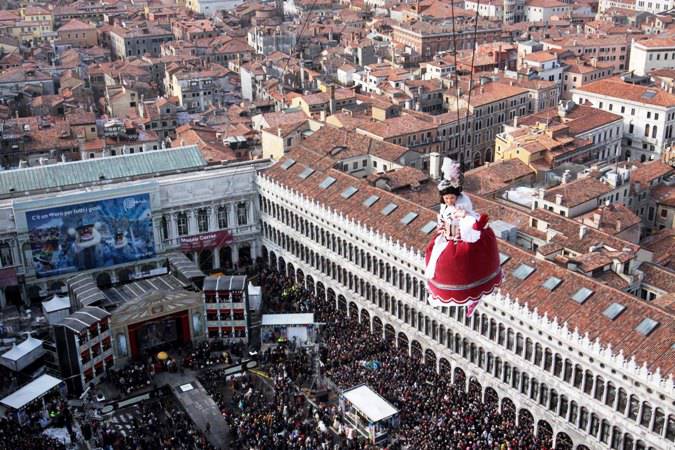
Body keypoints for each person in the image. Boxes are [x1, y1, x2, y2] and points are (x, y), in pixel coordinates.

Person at [424, 158, 502, 317]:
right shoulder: (446, 206)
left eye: (451, 198)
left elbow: (469, 220)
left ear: (456, 195)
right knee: (433, 258)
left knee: (461, 267)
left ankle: (473, 299)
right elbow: (443, 218)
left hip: (462, 238)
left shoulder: (462, 207)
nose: (449, 200)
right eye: (446, 198)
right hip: (447, 237)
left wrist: (472, 223)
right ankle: (468, 298)